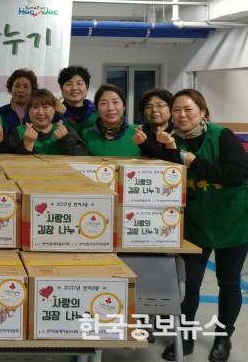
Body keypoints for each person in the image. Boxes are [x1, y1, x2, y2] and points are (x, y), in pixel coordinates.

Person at [161, 89, 248, 362]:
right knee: (189, 285)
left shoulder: (223, 136)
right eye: (176, 110)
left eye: (188, 109)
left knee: (229, 283)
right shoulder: (171, 141)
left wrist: (193, 161)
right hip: (195, 224)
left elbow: (236, 174)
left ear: (202, 112)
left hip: (232, 222)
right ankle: (185, 338)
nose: (182, 115)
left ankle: (223, 338)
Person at [9, 88, 88, 155]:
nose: (41, 112)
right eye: (35, 107)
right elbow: (8, 160)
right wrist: (26, 145)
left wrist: (66, 139)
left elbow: (83, 155)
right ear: (28, 111)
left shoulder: (66, 130)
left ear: (54, 110)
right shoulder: (18, 132)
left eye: (45, 107)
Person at [82, 83, 140, 157]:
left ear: (124, 106)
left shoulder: (138, 132)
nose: (110, 108)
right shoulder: (86, 135)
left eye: (115, 102)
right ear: (97, 109)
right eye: (104, 103)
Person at [132, 88, 177, 160]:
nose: (154, 110)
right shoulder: (139, 134)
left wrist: (145, 144)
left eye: (159, 105)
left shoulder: (178, 133)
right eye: (149, 107)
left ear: (171, 109)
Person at [55, 66, 98, 137]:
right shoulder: (54, 114)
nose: (74, 88)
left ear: (87, 87)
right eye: (69, 84)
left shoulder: (97, 112)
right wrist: (57, 115)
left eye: (79, 83)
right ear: (61, 88)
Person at [0, 68, 37, 133]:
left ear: (32, 90)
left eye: (26, 86)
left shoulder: (38, 114)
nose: (21, 90)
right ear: (10, 89)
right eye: (17, 86)